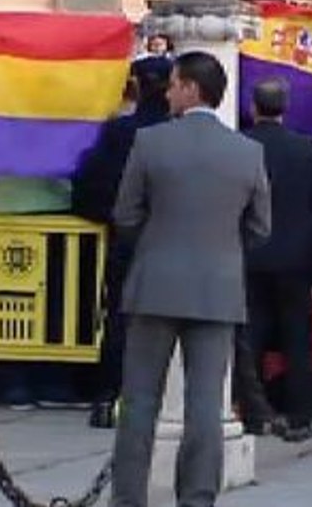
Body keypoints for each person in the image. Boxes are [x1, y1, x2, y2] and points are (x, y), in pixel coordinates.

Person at [110, 51, 271, 507]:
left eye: (174, 83)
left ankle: (129, 499)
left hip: (155, 282)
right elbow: (260, 227)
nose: (167, 91)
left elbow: (126, 213)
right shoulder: (247, 151)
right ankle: (198, 498)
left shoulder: (150, 143)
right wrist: (220, 247)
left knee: (140, 401)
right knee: (205, 404)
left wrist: (157, 242)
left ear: (191, 90)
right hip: (218, 287)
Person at [71, 56, 173, 428]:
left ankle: (106, 399)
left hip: (126, 239)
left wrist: (112, 218)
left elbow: (89, 187)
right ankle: (162, 403)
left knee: (118, 320)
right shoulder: (174, 132)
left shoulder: (118, 133)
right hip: (170, 240)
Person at [241, 78, 312, 441]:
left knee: (251, 336)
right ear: (285, 107)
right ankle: (300, 415)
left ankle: (252, 412)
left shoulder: (241, 146)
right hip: (296, 257)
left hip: (250, 253)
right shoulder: (308, 150)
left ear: (254, 107)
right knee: (296, 339)